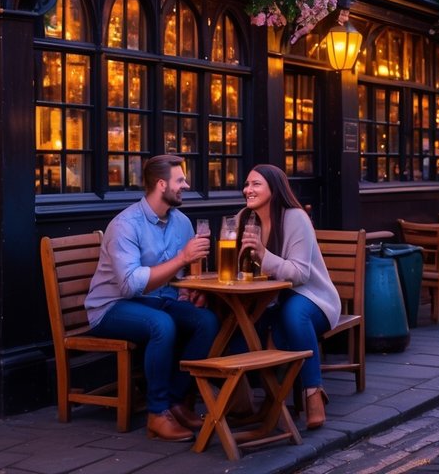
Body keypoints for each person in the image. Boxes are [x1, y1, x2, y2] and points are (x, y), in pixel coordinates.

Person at [85, 154, 218, 441]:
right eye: (180, 180)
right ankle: (157, 414)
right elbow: (131, 286)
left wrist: (189, 291)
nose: (186, 185)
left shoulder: (181, 222)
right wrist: (183, 257)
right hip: (111, 307)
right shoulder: (126, 225)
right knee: (163, 325)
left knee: (206, 320)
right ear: (161, 184)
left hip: (158, 301)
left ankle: (174, 400)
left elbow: (180, 276)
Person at [237, 163, 340, 430]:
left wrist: (263, 254)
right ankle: (256, 401)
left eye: (256, 184)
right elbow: (241, 271)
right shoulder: (244, 219)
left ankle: (312, 393)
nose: (248, 189)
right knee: (236, 323)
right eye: (247, 184)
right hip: (268, 301)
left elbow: (300, 275)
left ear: (275, 187)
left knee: (293, 314)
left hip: (312, 298)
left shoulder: (295, 218)